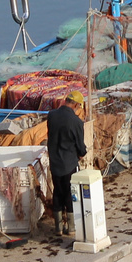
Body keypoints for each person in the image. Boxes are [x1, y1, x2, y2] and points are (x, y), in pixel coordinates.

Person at [46, 91, 88, 233]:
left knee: (57, 192)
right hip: (69, 163)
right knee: (71, 193)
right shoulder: (77, 122)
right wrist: (82, 153)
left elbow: (51, 135)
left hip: (54, 162)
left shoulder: (51, 115)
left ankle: (58, 227)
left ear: (66, 100)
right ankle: (71, 227)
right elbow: (80, 146)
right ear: (76, 104)